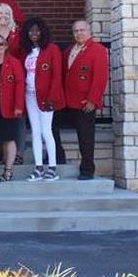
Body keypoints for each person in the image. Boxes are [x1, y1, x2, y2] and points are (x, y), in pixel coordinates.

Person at [53, 20, 108, 181]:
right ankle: (58, 155)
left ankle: (87, 169)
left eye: (82, 30)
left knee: (85, 137)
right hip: (66, 100)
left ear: (89, 31)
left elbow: (100, 77)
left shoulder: (97, 50)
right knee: (52, 126)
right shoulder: (70, 49)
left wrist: (93, 99)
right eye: (76, 31)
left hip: (84, 102)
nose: (79, 33)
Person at [20, 17, 65, 182]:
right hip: (30, 95)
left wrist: (52, 97)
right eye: (31, 30)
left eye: (37, 30)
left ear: (43, 32)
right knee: (35, 132)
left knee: (47, 131)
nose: (34, 33)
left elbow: (56, 76)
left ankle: (52, 167)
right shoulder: (27, 52)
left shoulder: (52, 49)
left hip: (46, 97)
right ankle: (38, 167)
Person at [0, 35, 25, 181]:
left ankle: (8, 170)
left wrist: (18, 106)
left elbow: (20, 84)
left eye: (1, 44)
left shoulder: (13, 62)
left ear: (6, 46)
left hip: (8, 107)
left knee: (8, 139)